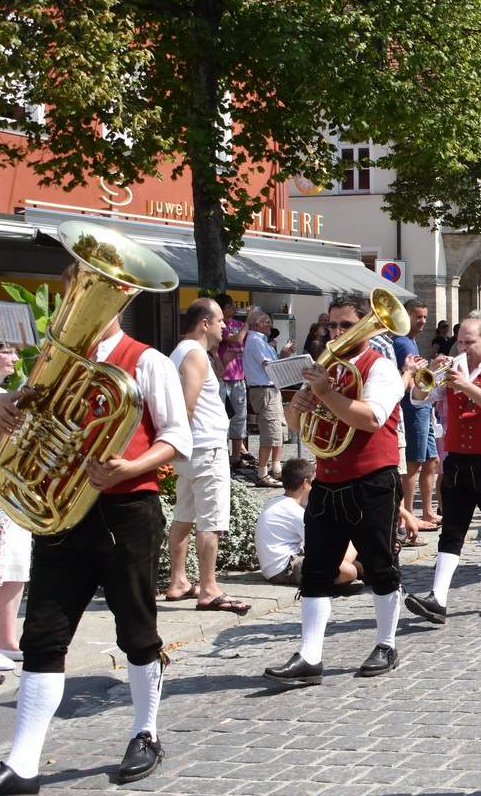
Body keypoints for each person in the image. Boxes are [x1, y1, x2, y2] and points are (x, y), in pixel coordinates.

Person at [0, 297, 192, 796]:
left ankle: (145, 732)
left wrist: (129, 468)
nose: (78, 304)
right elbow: (33, 422)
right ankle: (22, 764)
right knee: (43, 634)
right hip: (61, 510)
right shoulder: (51, 359)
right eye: (75, 291)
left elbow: (176, 437)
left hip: (126, 509)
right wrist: (5, 407)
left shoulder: (146, 359)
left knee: (136, 627)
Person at [265, 293, 407, 687]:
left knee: (380, 565)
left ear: (366, 326)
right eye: (332, 325)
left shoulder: (381, 369)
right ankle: (310, 656)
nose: (338, 332)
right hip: (327, 480)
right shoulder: (326, 368)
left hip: (371, 479)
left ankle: (386, 643)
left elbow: (371, 419)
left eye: (347, 325)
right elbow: (295, 424)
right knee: (316, 568)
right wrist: (304, 401)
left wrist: (326, 393)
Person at [404, 315, 481, 624]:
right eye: (460, 342)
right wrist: (420, 377)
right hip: (456, 461)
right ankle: (438, 598)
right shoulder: (452, 370)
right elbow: (419, 400)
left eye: (469, 342)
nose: (463, 347)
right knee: (452, 529)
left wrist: (465, 385)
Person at [163, 298, 247, 614]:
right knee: (211, 520)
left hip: (190, 450)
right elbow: (188, 405)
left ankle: (179, 581)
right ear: (204, 323)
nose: (226, 325)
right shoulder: (195, 354)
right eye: (220, 321)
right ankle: (209, 588)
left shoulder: (181, 351)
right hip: (205, 447)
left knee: (184, 515)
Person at [255, 458, 361, 586]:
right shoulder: (292, 510)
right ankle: (351, 573)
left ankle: (355, 571)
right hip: (284, 569)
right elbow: (325, 543)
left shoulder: (283, 503)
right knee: (348, 567)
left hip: (282, 565)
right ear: (306, 482)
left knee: (346, 547)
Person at [0, 341, 29, 679]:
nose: (15, 358)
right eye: (7, 351)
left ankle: (7, 638)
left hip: (12, 490)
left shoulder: (7, 392)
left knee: (16, 564)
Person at [393, 298, 440, 530]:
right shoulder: (403, 343)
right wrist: (433, 371)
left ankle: (428, 512)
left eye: (424, 316)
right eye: (417, 316)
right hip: (413, 409)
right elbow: (412, 384)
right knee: (414, 463)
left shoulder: (409, 341)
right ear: (405, 316)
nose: (422, 321)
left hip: (423, 408)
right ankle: (409, 515)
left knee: (432, 460)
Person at [242, 308, 291, 487]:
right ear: (257, 325)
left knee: (278, 430)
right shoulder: (256, 341)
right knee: (270, 431)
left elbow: (271, 365)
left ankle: (276, 469)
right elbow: (269, 367)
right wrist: (286, 361)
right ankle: (262, 473)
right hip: (264, 390)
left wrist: (284, 356)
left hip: (270, 389)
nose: (270, 325)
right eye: (267, 322)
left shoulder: (262, 342)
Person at [215, 294, 253, 472]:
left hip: (239, 376)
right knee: (222, 417)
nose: (234, 307)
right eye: (230, 305)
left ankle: (236, 456)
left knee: (240, 417)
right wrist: (248, 320)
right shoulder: (222, 326)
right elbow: (236, 339)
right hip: (223, 377)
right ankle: (222, 455)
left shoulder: (238, 325)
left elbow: (246, 341)